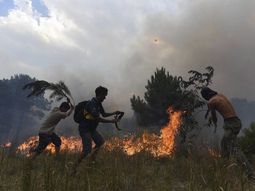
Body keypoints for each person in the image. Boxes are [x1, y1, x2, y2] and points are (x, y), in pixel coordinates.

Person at [201, 87, 255, 178]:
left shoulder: (211, 102)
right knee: (224, 145)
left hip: (230, 124)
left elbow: (214, 117)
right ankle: (224, 171)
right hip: (236, 121)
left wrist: (214, 125)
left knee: (234, 149)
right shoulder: (220, 95)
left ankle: (250, 174)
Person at [77, 86, 122, 164]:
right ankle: (75, 167)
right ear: (100, 94)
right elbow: (98, 119)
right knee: (87, 151)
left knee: (100, 142)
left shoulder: (98, 103)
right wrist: (111, 121)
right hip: (85, 129)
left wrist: (114, 112)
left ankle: (92, 160)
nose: (105, 98)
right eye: (104, 96)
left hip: (92, 129)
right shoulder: (92, 104)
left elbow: (103, 114)